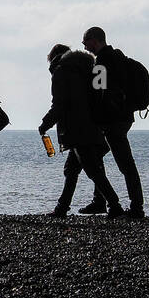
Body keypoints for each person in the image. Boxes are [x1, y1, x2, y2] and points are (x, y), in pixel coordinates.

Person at [39, 44, 125, 218]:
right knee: (71, 169)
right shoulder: (89, 68)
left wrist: (45, 123)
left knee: (93, 171)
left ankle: (115, 206)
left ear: (54, 58)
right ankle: (62, 207)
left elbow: (60, 104)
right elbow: (98, 95)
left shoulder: (61, 72)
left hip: (76, 129)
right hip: (94, 126)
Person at [79, 27, 145, 217]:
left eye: (86, 41)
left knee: (125, 164)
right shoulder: (119, 58)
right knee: (100, 157)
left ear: (96, 40)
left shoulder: (102, 62)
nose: (84, 46)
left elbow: (98, 92)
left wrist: (93, 116)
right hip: (123, 117)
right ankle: (100, 201)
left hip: (112, 120)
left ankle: (136, 207)